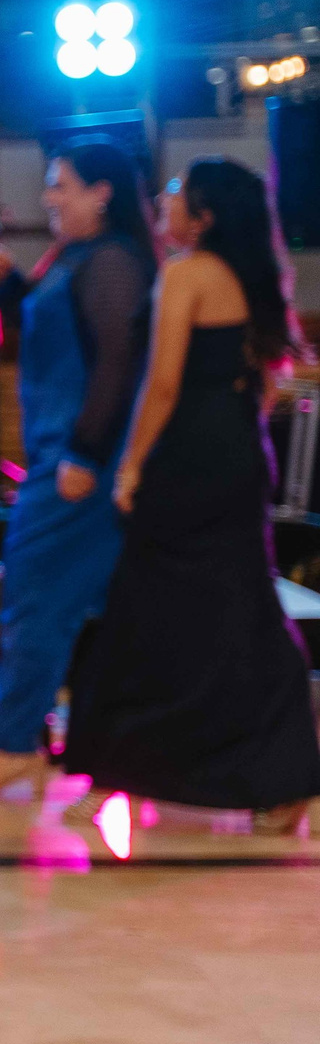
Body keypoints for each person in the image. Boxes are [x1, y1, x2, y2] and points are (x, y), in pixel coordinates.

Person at [64, 158, 320, 834]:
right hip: (237, 453)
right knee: (240, 606)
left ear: (202, 216)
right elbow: (265, 386)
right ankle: (278, 774)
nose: (164, 201)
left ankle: (117, 769)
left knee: (147, 608)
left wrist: (132, 466)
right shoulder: (254, 278)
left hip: (184, 456)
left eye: (176, 194)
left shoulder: (186, 273)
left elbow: (163, 383)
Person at [0, 144, 153, 798]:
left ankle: (11, 743)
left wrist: (87, 454)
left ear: (103, 192)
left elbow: (117, 362)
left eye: (60, 185)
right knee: (38, 598)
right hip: (55, 454)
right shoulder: (75, 257)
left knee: (36, 599)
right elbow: (57, 329)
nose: (49, 197)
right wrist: (10, 285)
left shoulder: (114, 260)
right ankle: (23, 738)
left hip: (76, 464)